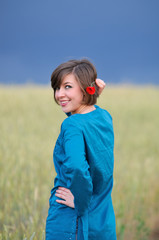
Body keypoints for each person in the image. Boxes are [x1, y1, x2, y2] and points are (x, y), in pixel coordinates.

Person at [45, 59, 117, 240]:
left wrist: (80, 202)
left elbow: (77, 167)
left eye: (67, 87)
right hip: (101, 216)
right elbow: (85, 117)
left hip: (71, 218)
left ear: (86, 87)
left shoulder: (72, 126)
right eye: (57, 88)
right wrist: (91, 97)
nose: (59, 94)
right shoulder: (104, 117)